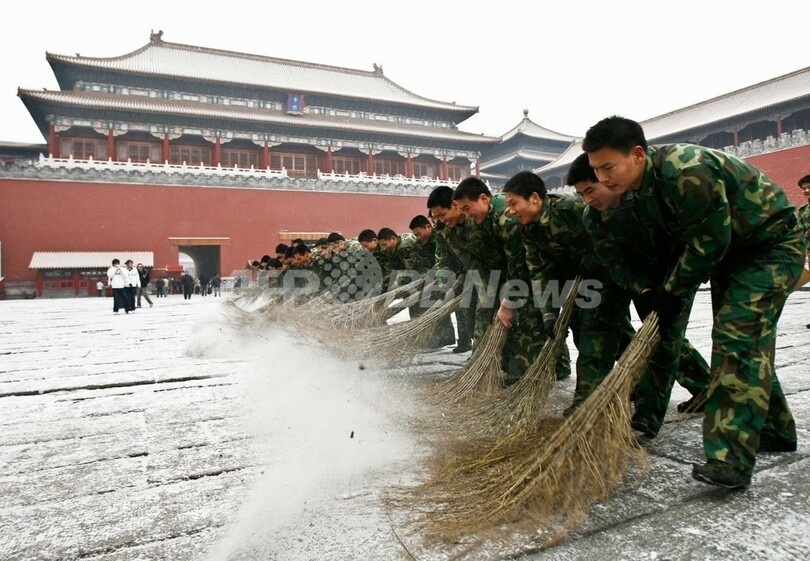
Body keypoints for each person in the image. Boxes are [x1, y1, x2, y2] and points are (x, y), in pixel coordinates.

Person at [582, 115, 805, 489]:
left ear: (637, 154)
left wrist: (673, 292)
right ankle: (776, 430)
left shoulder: (686, 169)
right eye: (596, 170)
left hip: (770, 246)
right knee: (747, 341)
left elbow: (708, 242)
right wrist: (654, 290)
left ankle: (730, 460)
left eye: (608, 167)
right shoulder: (640, 189)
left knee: (736, 338)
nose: (603, 178)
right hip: (732, 256)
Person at [567, 153, 710, 416]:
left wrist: (671, 289)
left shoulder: (644, 198)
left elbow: (683, 242)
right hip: (630, 277)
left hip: (671, 273)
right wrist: (642, 290)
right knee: (604, 331)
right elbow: (613, 260)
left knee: (664, 336)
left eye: (590, 190)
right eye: (581, 195)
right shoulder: (592, 216)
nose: (587, 200)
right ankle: (589, 402)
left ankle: (655, 412)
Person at [502, 170, 635, 406]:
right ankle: (633, 387)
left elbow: (611, 236)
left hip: (606, 278)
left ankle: (591, 403)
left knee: (600, 338)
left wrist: (597, 266)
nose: (511, 211)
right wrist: (548, 314)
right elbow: (539, 270)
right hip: (576, 286)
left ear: (534, 198)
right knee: (597, 337)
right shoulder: (529, 228)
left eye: (513, 203)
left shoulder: (572, 208)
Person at [453, 177, 567, 385]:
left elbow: (518, 261)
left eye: (467, 208)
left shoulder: (507, 218)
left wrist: (508, 301)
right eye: (463, 210)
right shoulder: (482, 219)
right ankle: (550, 367)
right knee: (529, 320)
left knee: (531, 321)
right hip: (519, 273)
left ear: (484, 199)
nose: (467, 215)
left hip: (537, 272)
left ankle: (531, 373)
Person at [408, 214, 456, 349]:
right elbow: (420, 264)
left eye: (419, 233)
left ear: (428, 227)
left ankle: (446, 337)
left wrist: (434, 279)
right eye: (415, 235)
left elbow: (443, 261)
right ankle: (425, 337)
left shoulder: (440, 236)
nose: (418, 237)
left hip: (449, 273)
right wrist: (422, 279)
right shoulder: (420, 243)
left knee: (437, 300)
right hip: (432, 276)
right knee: (416, 300)